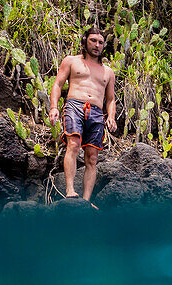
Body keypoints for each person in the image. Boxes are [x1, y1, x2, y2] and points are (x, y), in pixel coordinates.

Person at [48, 28, 117, 201]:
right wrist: (54, 107)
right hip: (74, 105)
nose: (97, 45)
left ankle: (86, 200)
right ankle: (70, 189)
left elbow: (110, 99)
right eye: (93, 40)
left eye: (100, 42)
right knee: (73, 143)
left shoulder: (108, 72)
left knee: (92, 157)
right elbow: (57, 84)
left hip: (96, 112)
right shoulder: (71, 61)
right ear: (85, 41)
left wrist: (111, 116)